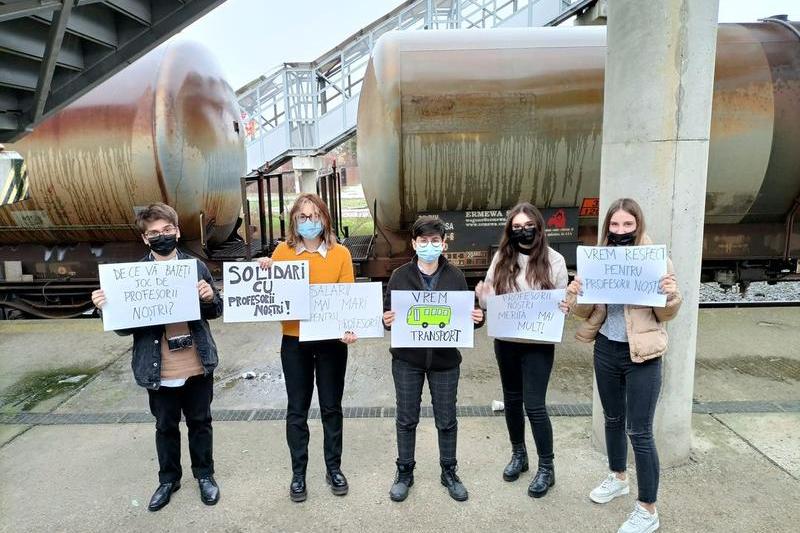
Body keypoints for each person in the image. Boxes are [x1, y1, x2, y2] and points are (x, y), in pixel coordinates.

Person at [560, 198, 681, 533]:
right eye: (615, 225)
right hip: (607, 350)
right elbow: (585, 313)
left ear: (637, 225)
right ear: (607, 227)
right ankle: (618, 477)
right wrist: (576, 294)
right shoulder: (597, 259)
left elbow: (666, 314)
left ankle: (648, 509)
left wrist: (671, 295)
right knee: (613, 419)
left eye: (628, 225)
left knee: (639, 430)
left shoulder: (656, 259)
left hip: (642, 354)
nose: (621, 231)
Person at [91, 203, 222, 512]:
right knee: (165, 425)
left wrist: (208, 298)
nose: (162, 236)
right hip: (157, 366)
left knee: (201, 422)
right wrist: (104, 308)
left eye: (167, 230)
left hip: (195, 361)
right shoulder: (130, 276)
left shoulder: (196, 267)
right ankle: (168, 480)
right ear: (144, 239)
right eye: (154, 233)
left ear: (177, 231)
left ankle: (205, 475)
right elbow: (123, 330)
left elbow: (215, 312)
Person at [257, 193, 357, 503]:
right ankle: (298, 473)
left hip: (331, 343)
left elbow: (348, 298)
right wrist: (264, 270)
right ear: (294, 222)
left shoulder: (341, 254)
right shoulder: (282, 253)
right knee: (296, 410)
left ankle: (333, 468)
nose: (309, 222)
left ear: (325, 219)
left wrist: (350, 328)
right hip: (295, 342)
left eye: (315, 216)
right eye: (303, 217)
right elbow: (271, 294)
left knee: (331, 407)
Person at [382, 216, 485, 503]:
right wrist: (386, 319)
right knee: (406, 418)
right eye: (423, 241)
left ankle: (449, 471)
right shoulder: (400, 276)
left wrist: (477, 319)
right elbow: (389, 314)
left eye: (435, 241)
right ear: (414, 244)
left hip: (445, 361)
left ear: (443, 244)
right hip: (407, 360)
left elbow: (464, 317)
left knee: (447, 419)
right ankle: (404, 472)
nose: (429, 246)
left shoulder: (455, 276)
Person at [475, 203, 568, 498]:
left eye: (527, 225)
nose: (522, 230)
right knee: (512, 401)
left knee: (535, 405)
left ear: (539, 227)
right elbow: (490, 297)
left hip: (538, 346)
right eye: (516, 227)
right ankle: (519, 455)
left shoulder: (555, 261)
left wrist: (567, 306)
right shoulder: (503, 258)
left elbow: (561, 304)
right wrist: (484, 297)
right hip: (507, 343)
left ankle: (547, 467)